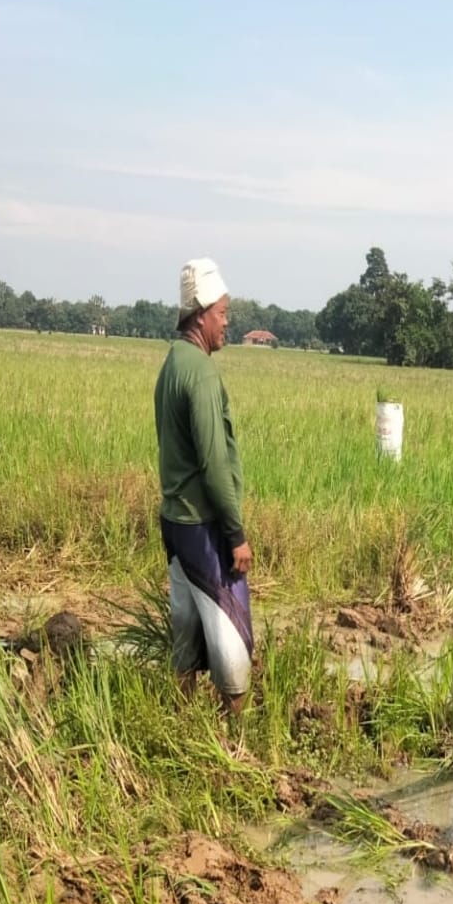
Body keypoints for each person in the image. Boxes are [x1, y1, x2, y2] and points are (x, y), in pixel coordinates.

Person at [154, 257, 254, 715]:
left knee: (187, 630)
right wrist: (235, 534)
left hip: (175, 521)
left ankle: (179, 721)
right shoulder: (201, 373)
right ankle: (239, 738)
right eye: (222, 313)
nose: (227, 323)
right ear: (200, 315)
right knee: (231, 635)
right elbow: (214, 462)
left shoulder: (173, 363)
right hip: (203, 525)